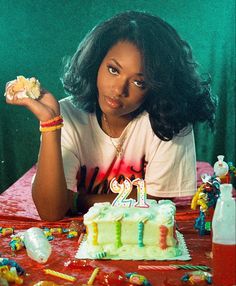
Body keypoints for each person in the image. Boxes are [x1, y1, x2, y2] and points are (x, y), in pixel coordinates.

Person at [6, 11, 217, 221]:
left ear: (157, 87)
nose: (119, 90)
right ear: (96, 62)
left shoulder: (170, 121)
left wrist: (77, 201)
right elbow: (51, 212)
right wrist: (51, 124)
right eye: (113, 70)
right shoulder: (67, 115)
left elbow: (156, 201)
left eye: (139, 82)